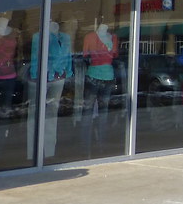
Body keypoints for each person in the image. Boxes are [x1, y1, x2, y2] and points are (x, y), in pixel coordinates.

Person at [27, 20, 74, 158]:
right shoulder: (39, 36)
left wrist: (69, 73)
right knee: (35, 114)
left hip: (58, 78)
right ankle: (33, 152)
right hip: (41, 77)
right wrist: (37, 75)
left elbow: (69, 56)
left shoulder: (65, 37)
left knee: (52, 114)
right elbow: (35, 56)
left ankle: (49, 151)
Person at [81, 23, 118, 157]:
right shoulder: (90, 36)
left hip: (108, 77)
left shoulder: (113, 37)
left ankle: (102, 142)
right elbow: (85, 55)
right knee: (87, 110)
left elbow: (115, 54)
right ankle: (84, 144)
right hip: (93, 76)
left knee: (103, 112)